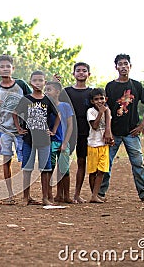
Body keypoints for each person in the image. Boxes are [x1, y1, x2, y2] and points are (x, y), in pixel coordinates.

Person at [99, 53, 144, 202]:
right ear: (116, 67)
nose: (123, 66)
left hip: (132, 132)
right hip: (114, 132)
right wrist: (107, 130)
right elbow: (106, 108)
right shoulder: (110, 86)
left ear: (130, 66)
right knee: (106, 164)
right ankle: (100, 193)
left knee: (138, 164)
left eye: (126, 64)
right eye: (120, 64)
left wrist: (142, 124)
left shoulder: (136, 85)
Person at [0, 54, 32, 204]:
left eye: (8, 66)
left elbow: (31, 102)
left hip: (22, 129)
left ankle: (27, 195)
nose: (5, 69)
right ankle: (10, 194)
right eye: (2, 66)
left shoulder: (21, 84)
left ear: (13, 68)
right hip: (4, 129)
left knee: (25, 161)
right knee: (6, 160)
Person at [13, 70, 60, 206]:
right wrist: (19, 129)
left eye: (40, 80)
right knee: (27, 168)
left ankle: (45, 197)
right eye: (35, 80)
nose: (38, 83)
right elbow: (15, 113)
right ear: (30, 82)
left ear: (45, 83)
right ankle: (25, 197)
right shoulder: (26, 99)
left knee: (45, 169)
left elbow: (58, 115)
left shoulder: (47, 100)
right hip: (28, 139)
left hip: (44, 140)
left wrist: (53, 131)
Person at [57, 62, 92, 204]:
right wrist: (56, 83)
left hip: (85, 132)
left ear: (89, 74)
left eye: (84, 71)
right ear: (73, 74)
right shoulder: (66, 92)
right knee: (62, 162)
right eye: (78, 70)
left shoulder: (92, 93)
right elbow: (56, 104)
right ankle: (60, 194)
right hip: (68, 132)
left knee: (82, 161)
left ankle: (77, 194)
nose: (81, 73)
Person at [45, 81, 74, 203]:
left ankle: (65, 195)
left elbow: (70, 125)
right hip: (50, 142)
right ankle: (50, 195)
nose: (46, 92)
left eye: (49, 89)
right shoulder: (44, 106)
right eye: (45, 90)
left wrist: (65, 142)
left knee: (64, 170)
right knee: (49, 170)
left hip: (62, 142)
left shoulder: (65, 106)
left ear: (57, 92)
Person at [86, 88, 113, 203]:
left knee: (102, 170)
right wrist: (101, 112)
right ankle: (94, 194)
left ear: (105, 99)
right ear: (92, 101)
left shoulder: (108, 111)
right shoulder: (91, 111)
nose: (99, 101)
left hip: (104, 145)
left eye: (101, 98)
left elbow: (108, 127)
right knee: (93, 172)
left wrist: (110, 137)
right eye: (96, 99)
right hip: (93, 144)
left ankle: (95, 195)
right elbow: (95, 126)